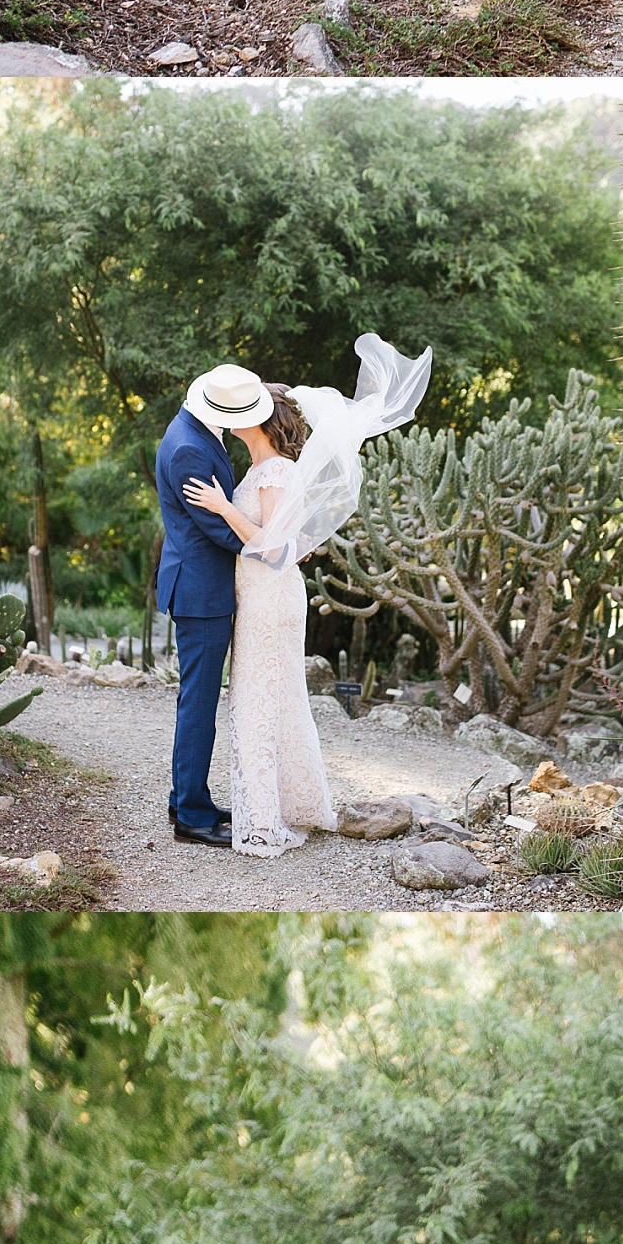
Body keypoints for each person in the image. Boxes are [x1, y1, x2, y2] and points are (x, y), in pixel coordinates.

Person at [180, 335, 433, 860]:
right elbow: (285, 541)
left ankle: (266, 816)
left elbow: (269, 551)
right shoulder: (262, 470)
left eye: (243, 411)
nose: (231, 417)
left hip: (270, 600)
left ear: (261, 420)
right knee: (277, 700)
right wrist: (289, 540)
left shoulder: (274, 471)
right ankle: (290, 801)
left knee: (259, 702)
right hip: (264, 597)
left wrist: (223, 508)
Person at [153, 361, 269, 851]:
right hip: (202, 591)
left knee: (197, 700)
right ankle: (192, 817)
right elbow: (216, 528)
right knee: (199, 704)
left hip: (203, 585)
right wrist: (272, 546)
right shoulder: (186, 449)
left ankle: (187, 798)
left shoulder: (196, 430)